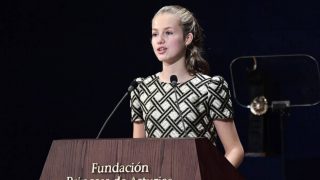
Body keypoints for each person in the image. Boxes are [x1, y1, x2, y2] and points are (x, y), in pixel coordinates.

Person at [130, 5, 244, 168]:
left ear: (187, 38)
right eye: (155, 34)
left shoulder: (210, 87)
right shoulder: (141, 88)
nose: (160, 40)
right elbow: (138, 151)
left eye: (168, 33)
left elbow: (234, 149)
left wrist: (212, 176)